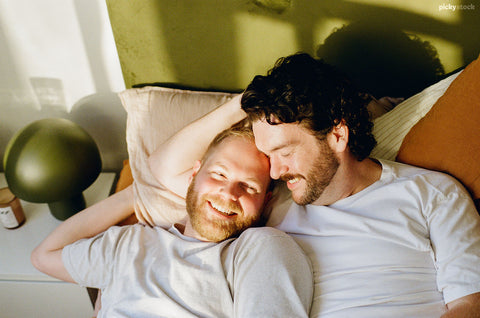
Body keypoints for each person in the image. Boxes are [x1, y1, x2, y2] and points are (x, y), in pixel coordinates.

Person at [150, 53, 480, 317]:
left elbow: (469, 304)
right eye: (268, 154)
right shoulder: (268, 199)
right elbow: (165, 170)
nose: (275, 171)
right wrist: (250, 100)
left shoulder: (433, 194)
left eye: (285, 152)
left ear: (338, 135)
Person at [31, 123, 314, 317]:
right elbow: (44, 256)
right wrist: (138, 194)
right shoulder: (131, 242)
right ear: (193, 175)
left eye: (249, 186)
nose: (228, 193)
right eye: (218, 174)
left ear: (266, 201)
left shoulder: (257, 252)